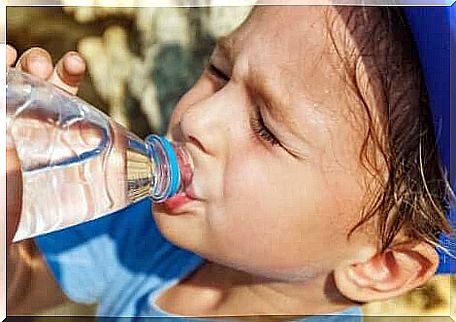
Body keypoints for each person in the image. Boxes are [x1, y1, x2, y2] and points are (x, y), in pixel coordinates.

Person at [6, 5, 454, 321]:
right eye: (219, 70)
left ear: (381, 265)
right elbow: (19, 289)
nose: (197, 117)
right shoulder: (165, 228)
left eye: (267, 129)